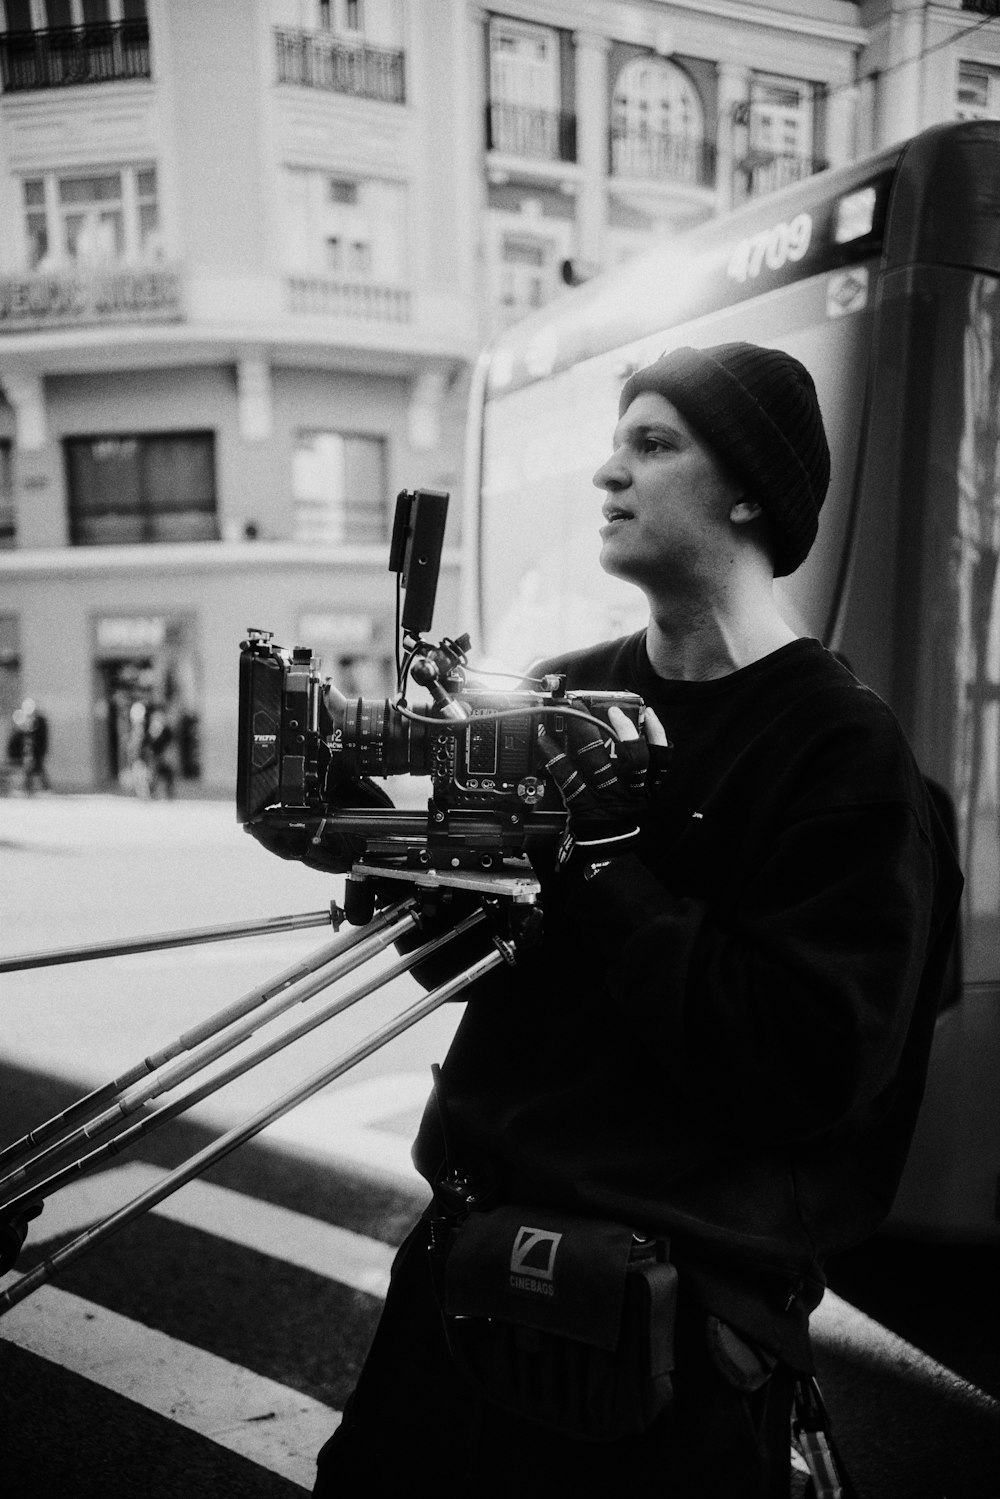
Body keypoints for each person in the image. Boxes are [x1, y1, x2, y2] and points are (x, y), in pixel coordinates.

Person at [312, 344, 963, 1495]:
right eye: (614, 445)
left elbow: (804, 1064)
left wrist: (608, 869)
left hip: (663, 1337)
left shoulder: (841, 750)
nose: (607, 476)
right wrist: (365, 845)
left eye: (652, 445)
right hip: (462, 1267)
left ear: (753, 488)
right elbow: (474, 962)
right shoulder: (561, 690)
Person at [6, 698, 50, 794]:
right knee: (31, 770)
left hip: (33, 755)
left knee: (35, 769)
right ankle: (30, 788)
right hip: (25, 757)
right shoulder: (19, 734)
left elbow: (36, 743)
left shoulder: (38, 725)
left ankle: (38, 788)